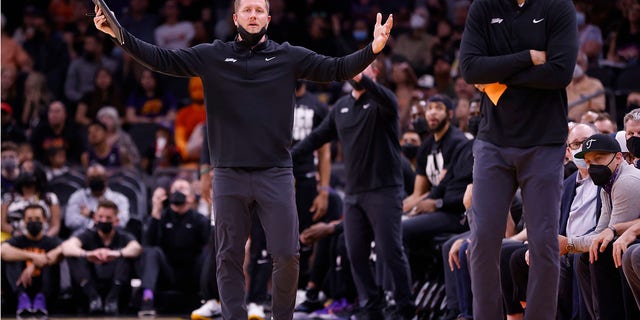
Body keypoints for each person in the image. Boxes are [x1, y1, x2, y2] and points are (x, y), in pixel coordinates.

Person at [92, 0, 393, 318]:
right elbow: (159, 58)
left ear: (268, 18)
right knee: (228, 256)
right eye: (247, 10)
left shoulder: (288, 56)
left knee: (288, 254)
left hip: (275, 172)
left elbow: (336, 68)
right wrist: (118, 33)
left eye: (259, 10)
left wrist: (373, 48)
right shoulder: (212, 56)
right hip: (228, 173)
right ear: (235, 18)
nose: (253, 15)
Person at [459, 0, 578, 319]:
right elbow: (470, 69)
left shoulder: (558, 7)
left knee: (543, 243)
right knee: (483, 239)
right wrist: (528, 59)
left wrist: (497, 72)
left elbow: (559, 72)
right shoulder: (484, 7)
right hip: (493, 141)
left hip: (544, 141)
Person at [292, 62, 413, 319]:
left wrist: (361, 75)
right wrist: (287, 157)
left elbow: (386, 97)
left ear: (376, 73)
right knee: (355, 253)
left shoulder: (384, 101)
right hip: (354, 193)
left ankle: (405, 308)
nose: (359, 73)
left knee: (391, 251)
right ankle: (372, 307)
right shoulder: (341, 107)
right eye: (355, 68)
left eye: (366, 68)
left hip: (384, 190)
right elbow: (316, 138)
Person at [569, 133, 640, 319]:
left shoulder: (627, 182)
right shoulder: (608, 182)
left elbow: (611, 233)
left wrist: (568, 245)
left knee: (603, 252)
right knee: (587, 255)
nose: (593, 166)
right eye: (589, 162)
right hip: (626, 237)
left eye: (599, 158)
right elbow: (601, 232)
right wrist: (569, 244)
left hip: (632, 238)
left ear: (618, 156)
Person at [137, 179, 211, 317]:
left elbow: (210, 244)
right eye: (175, 189)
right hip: (167, 271)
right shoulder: (161, 217)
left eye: (182, 188)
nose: (177, 191)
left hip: (193, 273)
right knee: (152, 252)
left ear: (191, 197)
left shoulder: (199, 219)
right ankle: (147, 299)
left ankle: (209, 299)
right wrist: (156, 211)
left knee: (208, 251)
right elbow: (148, 243)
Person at [61, 200, 142, 315]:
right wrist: (88, 254)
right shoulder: (88, 235)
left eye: (108, 218)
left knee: (126, 255)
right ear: (95, 218)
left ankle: (112, 300)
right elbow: (66, 247)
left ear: (116, 221)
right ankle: (93, 298)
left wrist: (116, 253)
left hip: (117, 289)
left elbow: (137, 248)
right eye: (100, 217)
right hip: (90, 287)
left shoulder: (123, 236)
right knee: (75, 255)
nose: (103, 220)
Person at [1, 204, 63, 319]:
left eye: (38, 219)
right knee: (10, 257)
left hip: (46, 289)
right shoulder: (17, 240)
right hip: (18, 288)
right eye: (29, 219)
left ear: (45, 220)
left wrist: (34, 264)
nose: (33, 222)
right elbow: (3, 251)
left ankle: (41, 299)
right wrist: (33, 256)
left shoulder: (51, 242)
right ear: (23, 221)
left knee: (54, 256)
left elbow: (63, 250)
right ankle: (22, 298)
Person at [64, 164, 130, 233]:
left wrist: (91, 215)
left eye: (99, 177)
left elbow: (122, 223)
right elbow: (70, 222)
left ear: (106, 179)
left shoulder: (120, 199)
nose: (96, 180)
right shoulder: (77, 197)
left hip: (110, 238)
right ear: (87, 180)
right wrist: (107, 219)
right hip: (83, 237)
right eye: (92, 178)